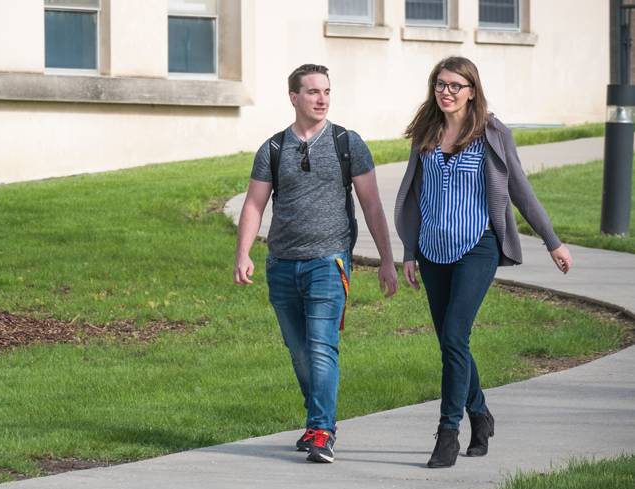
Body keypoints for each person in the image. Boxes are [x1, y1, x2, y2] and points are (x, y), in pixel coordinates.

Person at [395, 56, 573, 468]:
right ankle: (482, 415)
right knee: (450, 341)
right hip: (432, 249)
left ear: (472, 90)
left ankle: (447, 432)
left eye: (455, 85)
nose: (446, 92)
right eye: (440, 84)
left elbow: (520, 190)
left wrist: (553, 242)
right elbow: (416, 196)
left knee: (455, 336)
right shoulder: (426, 133)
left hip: (478, 244)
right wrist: (408, 249)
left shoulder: (492, 134)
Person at [234, 63, 397, 464]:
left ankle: (322, 430)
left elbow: (372, 204)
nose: (322, 99)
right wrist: (243, 254)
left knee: (323, 348)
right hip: (282, 264)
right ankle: (316, 420)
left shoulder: (347, 143)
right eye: (312, 92)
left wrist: (386, 259)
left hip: (329, 261)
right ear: (294, 97)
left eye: (326, 91)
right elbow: (254, 205)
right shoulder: (272, 148)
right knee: (299, 351)